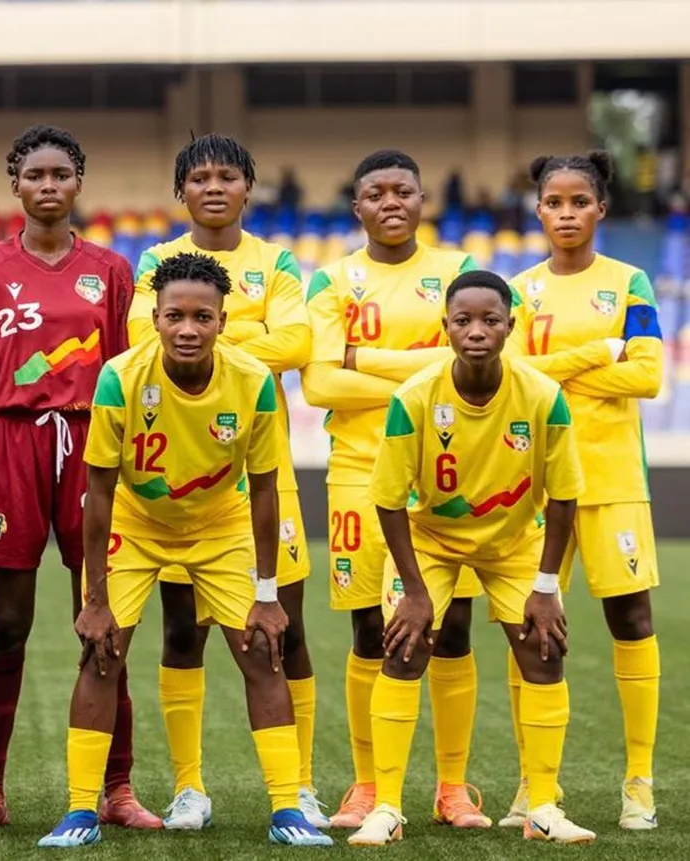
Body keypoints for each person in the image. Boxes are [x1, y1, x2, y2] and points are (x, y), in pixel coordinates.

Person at [39, 252, 332, 848]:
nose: (189, 329)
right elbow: (96, 491)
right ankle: (78, 812)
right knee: (102, 650)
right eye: (175, 316)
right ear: (156, 318)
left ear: (223, 320)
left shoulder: (251, 379)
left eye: (203, 316)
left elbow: (267, 488)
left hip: (221, 524)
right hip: (138, 520)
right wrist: (94, 598)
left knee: (261, 646)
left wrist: (268, 595)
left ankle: (286, 810)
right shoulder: (121, 375)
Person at [0, 124, 157, 832]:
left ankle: (116, 787)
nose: (49, 184)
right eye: (36, 175)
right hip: (13, 443)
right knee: (6, 622)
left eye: (62, 173)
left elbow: (129, 370)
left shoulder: (112, 270)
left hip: (94, 443)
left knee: (104, 622)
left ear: (78, 182)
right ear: (16, 185)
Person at [348, 269, 595, 846]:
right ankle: (386, 808)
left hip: (512, 542)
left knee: (543, 648)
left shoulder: (543, 396)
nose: (477, 331)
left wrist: (545, 584)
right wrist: (413, 592)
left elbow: (564, 495)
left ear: (512, 325)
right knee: (405, 650)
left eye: (490, 320)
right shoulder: (413, 398)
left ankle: (542, 807)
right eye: (464, 320)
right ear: (446, 328)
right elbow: (387, 501)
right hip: (429, 538)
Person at [128, 133, 322, 830]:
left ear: (249, 187)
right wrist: (247, 339)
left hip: (261, 470)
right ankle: (189, 786)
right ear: (181, 191)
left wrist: (209, 340)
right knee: (183, 632)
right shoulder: (155, 261)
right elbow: (140, 341)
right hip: (179, 470)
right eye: (200, 176)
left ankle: (296, 787)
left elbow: (299, 344)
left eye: (228, 176)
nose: (214, 186)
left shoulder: (276, 262)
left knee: (285, 629)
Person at [300, 150, 488, 829]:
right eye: (374, 192)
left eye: (402, 190)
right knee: (371, 627)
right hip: (357, 468)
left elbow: (476, 355)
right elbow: (320, 383)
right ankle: (366, 783)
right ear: (357, 206)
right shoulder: (330, 279)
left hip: (447, 469)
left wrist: (360, 357)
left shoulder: (459, 271)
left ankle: (454, 785)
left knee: (454, 626)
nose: (390, 201)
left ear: (422, 198)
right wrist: (423, 367)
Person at [506, 150, 663, 830]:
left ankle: (639, 781)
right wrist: (601, 353)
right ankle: (534, 787)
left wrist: (555, 374)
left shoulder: (630, 282)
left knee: (630, 618)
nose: (566, 213)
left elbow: (649, 375)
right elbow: (511, 377)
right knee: (531, 630)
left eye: (579, 201)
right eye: (554, 202)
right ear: (537, 210)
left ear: (600, 208)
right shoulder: (516, 290)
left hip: (611, 477)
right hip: (535, 484)